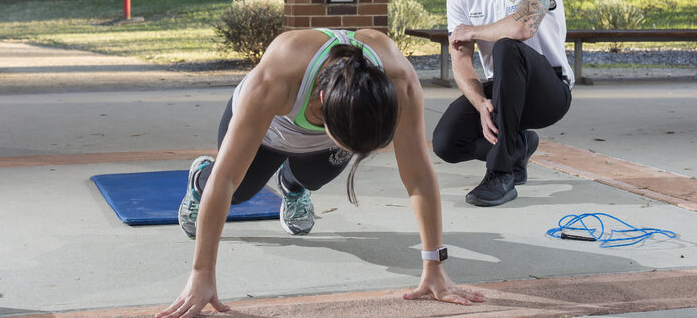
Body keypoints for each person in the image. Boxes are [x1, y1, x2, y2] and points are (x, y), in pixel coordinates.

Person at [156, 28, 485, 318]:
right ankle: (199, 178)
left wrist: (434, 265)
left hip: (331, 128)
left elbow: (418, 177)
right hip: (269, 128)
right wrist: (201, 272)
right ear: (324, 101)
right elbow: (226, 179)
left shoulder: (399, 81)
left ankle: (291, 183)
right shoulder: (278, 76)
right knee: (239, 192)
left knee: (311, 179)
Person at [432, 0, 573, 207]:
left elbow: (524, 26)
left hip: (547, 91)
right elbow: (461, 61)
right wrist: (480, 103)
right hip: (503, 88)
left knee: (508, 47)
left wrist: (474, 30)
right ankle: (518, 147)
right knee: (446, 144)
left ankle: (501, 174)